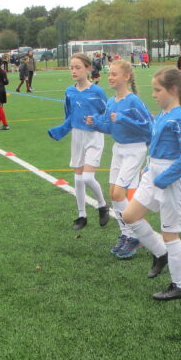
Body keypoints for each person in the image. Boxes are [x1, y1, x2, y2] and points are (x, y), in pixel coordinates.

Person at [120, 67, 181, 300]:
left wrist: (162, 179)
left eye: (158, 90)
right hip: (154, 174)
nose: (154, 94)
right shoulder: (163, 114)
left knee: (170, 234)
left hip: (171, 180)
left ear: (173, 89)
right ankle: (160, 253)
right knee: (129, 216)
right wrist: (150, 169)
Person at [84, 59, 151, 258]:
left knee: (120, 194)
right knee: (113, 193)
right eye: (109, 73)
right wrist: (95, 123)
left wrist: (124, 119)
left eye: (114, 74)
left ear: (126, 77)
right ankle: (126, 234)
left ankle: (135, 235)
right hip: (119, 149)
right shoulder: (111, 102)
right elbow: (109, 127)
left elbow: (148, 127)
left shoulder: (133, 101)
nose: (110, 77)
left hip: (135, 150)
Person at [47, 53, 111, 230]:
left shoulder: (97, 92)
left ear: (88, 68)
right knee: (78, 177)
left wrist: (95, 120)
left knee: (88, 177)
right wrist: (60, 130)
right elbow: (69, 116)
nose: (74, 71)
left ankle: (102, 205)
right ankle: (82, 215)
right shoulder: (70, 92)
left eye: (78, 67)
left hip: (94, 136)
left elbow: (106, 114)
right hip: (77, 136)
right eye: (71, 68)